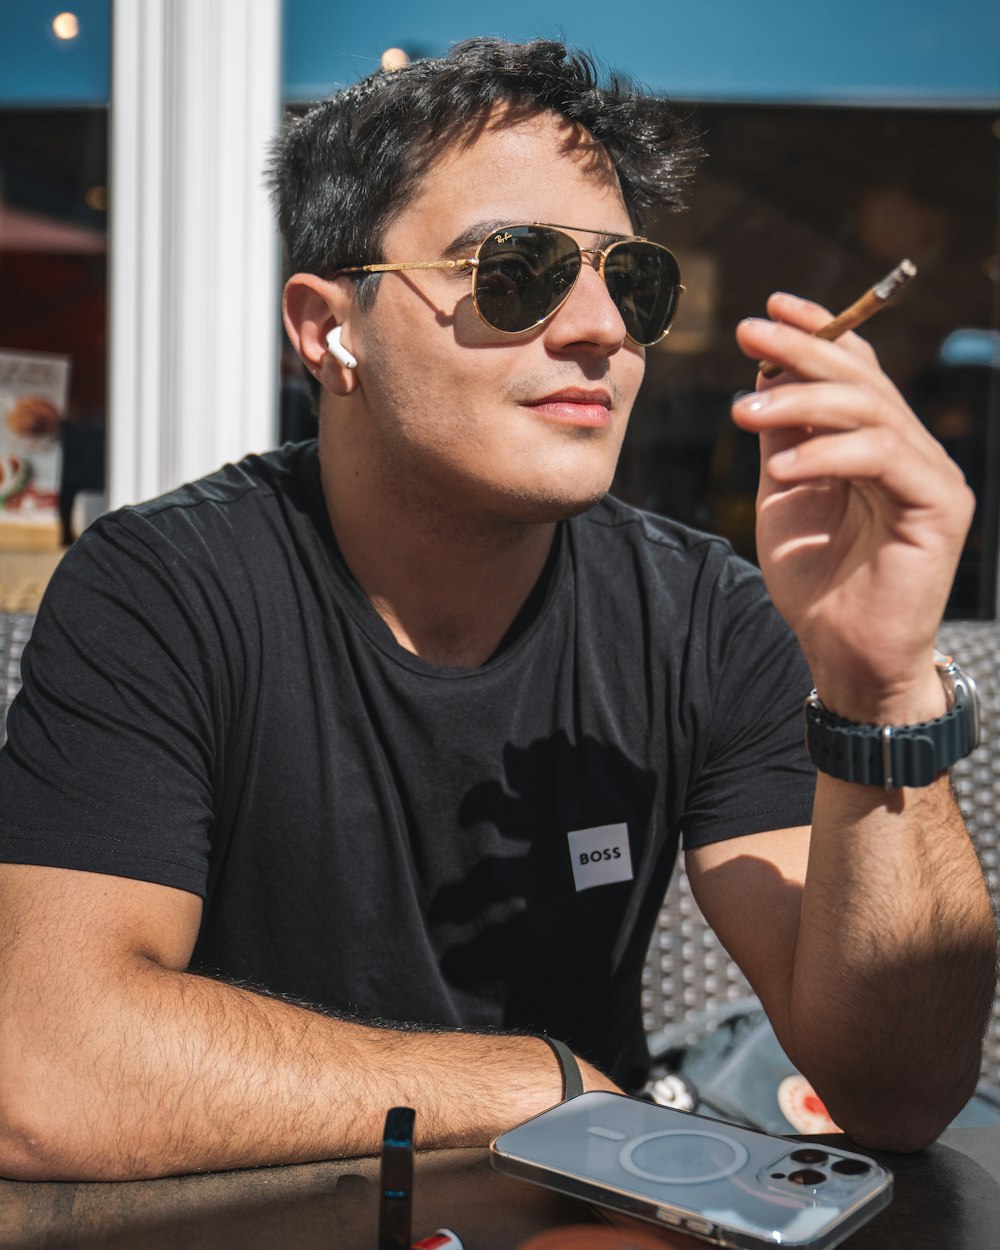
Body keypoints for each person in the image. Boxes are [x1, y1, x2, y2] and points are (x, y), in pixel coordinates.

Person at [0, 39, 994, 1182]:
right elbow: (46, 1067)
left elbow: (901, 1089)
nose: (600, 330)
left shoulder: (703, 615)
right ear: (330, 329)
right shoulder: (163, 588)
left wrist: (879, 688)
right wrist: (543, 1082)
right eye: (516, 271)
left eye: (631, 282)